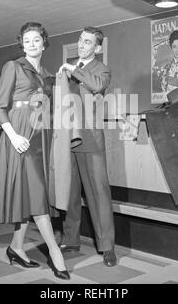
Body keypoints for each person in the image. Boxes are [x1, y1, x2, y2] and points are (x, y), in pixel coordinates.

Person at [0, 22, 70, 280]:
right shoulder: (12, 66)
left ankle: (16, 247)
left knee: (28, 193)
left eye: (36, 39)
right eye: (27, 40)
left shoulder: (46, 74)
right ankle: (55, 254)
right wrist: (13, 137)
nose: (32, 44)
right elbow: (0, 108)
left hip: (40, 135)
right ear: (21, 44)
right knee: (37, 194)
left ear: (44, 43)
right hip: (19, 136)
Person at [58, 26, 117, 267]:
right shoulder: (67, 69)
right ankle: (70, 239)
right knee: (69, 192)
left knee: (98, 194)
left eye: (88, 42)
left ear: (97, 48)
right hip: (66, 139)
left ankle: (107, 248)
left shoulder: (101, 70)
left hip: (90, 140)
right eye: (81, 41)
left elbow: (96, 86)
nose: (82, 45)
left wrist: (74, 70)